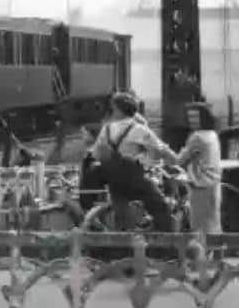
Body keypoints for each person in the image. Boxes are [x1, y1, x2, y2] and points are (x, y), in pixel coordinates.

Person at [93, 91, 180, 231]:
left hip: (114, 179)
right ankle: (166, 241)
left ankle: (122, 245)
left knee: (121, 215)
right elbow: (161, 149)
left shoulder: (106, 129)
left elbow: (97, 154)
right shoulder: (138, 129)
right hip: (134, 177)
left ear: (117, 109)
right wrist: (178, 160)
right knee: (159, 206)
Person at [178, 102, 223, 235]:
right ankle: (216, 252)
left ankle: (201, 253)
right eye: (190, 117)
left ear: (203, 118)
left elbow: (180, 160)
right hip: (214, 183)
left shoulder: (197, 137)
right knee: (214, 221)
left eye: (195, 118)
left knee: (199, 224)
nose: (192, 121)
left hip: (199, 184)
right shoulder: (213, 135)